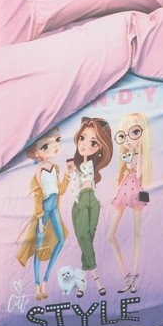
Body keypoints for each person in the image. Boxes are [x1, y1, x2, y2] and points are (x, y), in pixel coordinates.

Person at [15, 129, 70, 300]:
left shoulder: (56, 168)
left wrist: (68, 176)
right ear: (36, 152)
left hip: (54, 207)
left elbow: (60, 191)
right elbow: (39, 196)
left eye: (57, 140)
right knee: (39, 248)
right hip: (44, 209)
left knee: (61, 239)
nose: (54, 147)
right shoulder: (39, 171)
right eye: (45, 146)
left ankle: (45, 280)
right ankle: (37, 285)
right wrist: (39, 219)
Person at [108, 113, 152, 294]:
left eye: (134, 132)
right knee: (111, 235)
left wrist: (138, 153)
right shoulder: (126, 156)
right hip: (125, 190)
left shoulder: (141, 156)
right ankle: (126, 276)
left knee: (137, 234)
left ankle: (134, 276)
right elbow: (124, 175)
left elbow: (141, 175)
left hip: (138, 191)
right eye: (123, 135)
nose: (127, 139)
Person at [69, 117, 113, 297]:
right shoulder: (75, 166)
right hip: (80, 200)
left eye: (93, 142)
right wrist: (71, 174)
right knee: (83, 237)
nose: (85, 145)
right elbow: (74, 186)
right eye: (82, 138)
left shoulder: (93, 165)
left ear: (100, 146)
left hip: (93, 201)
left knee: (88, 239)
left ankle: (82, 283)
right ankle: (96, 278)